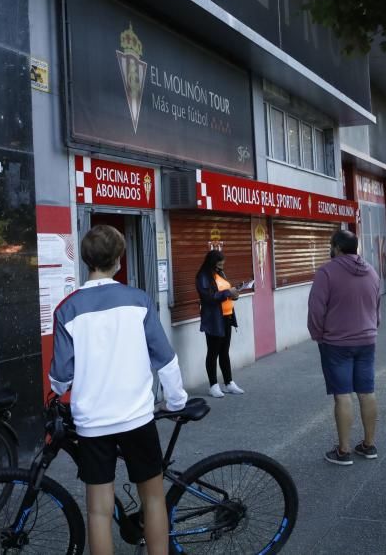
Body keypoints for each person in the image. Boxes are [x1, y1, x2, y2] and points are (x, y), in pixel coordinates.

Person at [49, 225, 188, 555]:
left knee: (98, 510)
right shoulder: (138, 300)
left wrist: (59, 386)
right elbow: (165, 358)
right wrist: (177, 399)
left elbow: (60, 378)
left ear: (86, 260)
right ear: (118, 260)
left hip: (92, 424)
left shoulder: (67, 309)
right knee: (153, 500)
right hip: (137, 418)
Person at [308, 229, 381, 466]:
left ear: (336, 247)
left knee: (343, 395)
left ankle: (344, 450)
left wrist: (319, 335)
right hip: (367, 340)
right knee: (367, 392)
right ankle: (369, 445)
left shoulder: (326, 273)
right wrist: (371, 328)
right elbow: (376, 307)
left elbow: (316, 310)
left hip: (336, 343)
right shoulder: (371, 271)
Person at [196, 250, 245, 398]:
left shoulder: (220, 273)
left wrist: (234, 293)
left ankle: (229, 383)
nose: (221, 266)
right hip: (213, 320)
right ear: (212, 263)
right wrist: (228, 293)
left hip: (227, 317)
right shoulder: (203, 276)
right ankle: (213, 385)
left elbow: (225, 293)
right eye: (219, 264)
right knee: (213, 352)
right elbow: (209, 298)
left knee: (224, 352)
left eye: (222, 264)